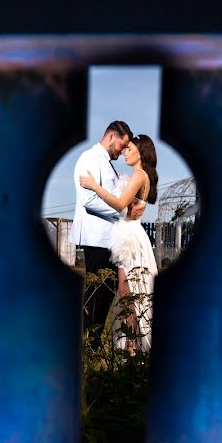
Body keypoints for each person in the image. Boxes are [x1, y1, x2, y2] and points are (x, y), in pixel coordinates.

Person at [80, 134, 158, 353]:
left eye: (129, 148)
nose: (125, 151)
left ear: (140, 152)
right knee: (129, 291)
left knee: (127, 291)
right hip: (130, 233)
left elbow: (120, 204)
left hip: (128, 237)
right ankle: (132, 346)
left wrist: (94, 186)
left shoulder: (139, 175)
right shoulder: (139, 176)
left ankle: (133, 347)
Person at [71, 120, 142, 348]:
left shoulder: (107, 163)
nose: (122, 152)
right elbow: (88, 199)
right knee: (95, 294)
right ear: (112, 136)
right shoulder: (89, 158)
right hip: (95, 237)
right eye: (122, 146)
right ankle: (88, 344)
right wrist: (119, 210)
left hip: (108, 238)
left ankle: (96, 342)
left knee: (106, 294)